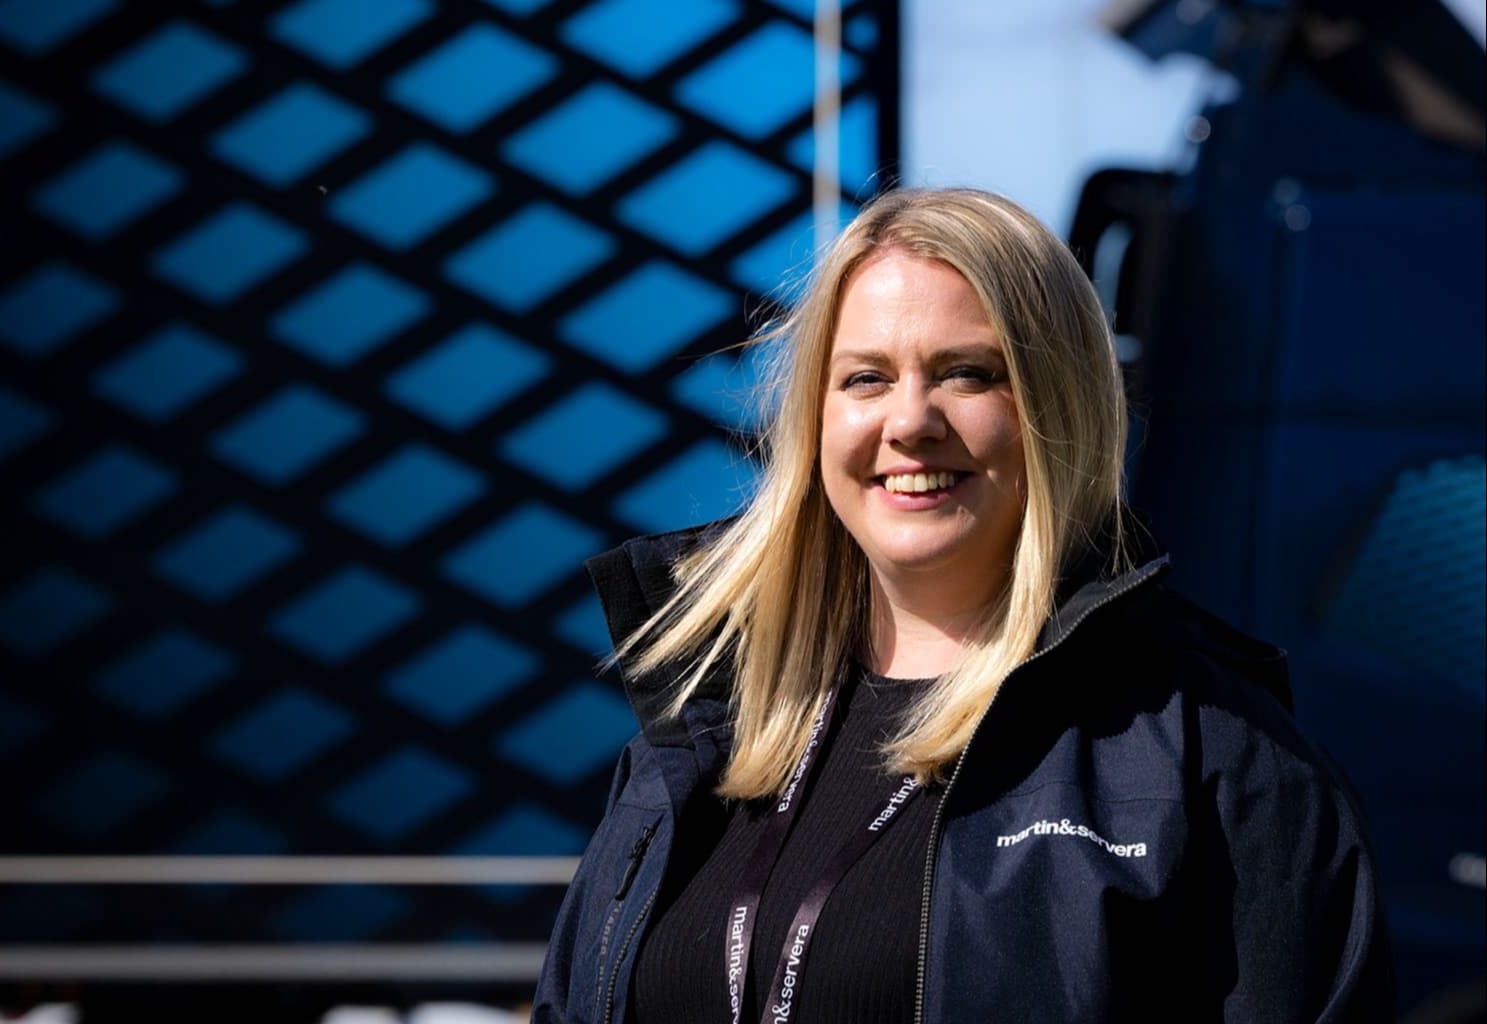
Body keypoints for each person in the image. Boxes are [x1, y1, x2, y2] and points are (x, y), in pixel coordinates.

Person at [531, 188, 1393, 1023]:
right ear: (814, 422)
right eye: (865, 378)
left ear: (1059, 408)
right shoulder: (702, 735)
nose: (909, 421)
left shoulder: (1212, 757)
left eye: (969, 375)